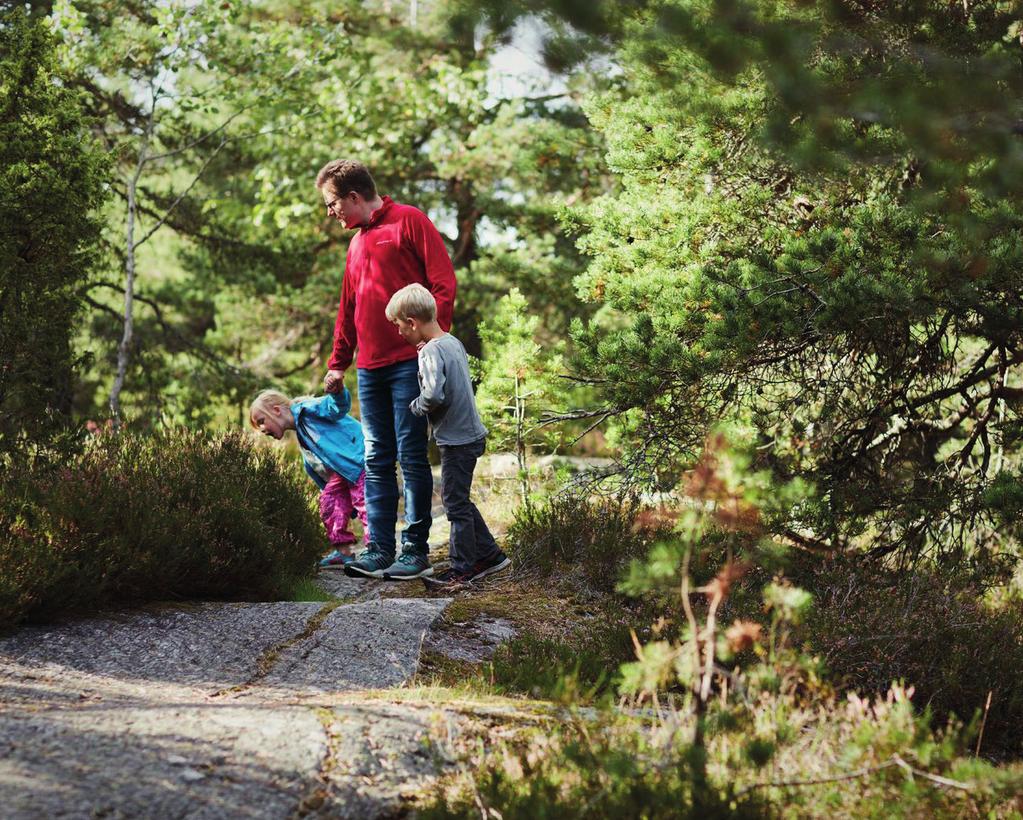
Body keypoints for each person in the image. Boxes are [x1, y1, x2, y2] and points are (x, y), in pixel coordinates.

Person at [316, 159, 456, 580]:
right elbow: (349, 307)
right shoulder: (356, 244)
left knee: (411, 456)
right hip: (370, 370)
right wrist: (339, 362)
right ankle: (378, 547)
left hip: (408, 365)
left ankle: (414, 550)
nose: (330, 212)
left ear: (354, 197)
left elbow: (443, 283)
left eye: (332, 203)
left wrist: (433, 344)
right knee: (375, 458)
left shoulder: (409, 221)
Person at [384, 284, 511, 588]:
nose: (399, 333)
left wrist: (414, 407)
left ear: (412, 323)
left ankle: (462, 568)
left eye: (399, 326)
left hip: (455, 440)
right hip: (470, 435)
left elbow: (433, 396)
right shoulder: (451, 342)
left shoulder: (429, 351)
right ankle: (491, 556)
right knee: (460, 501)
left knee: (454, 506)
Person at [249, 388, 369, 568]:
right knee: (330, 504)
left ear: (276, 410)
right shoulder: (302, 434)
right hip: (340, 472)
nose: (262, 429)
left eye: (261, 421)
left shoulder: (308, 409)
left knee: (365, 504)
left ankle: (375, 547)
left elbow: (337, 406)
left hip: (356, 460)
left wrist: (337, 390)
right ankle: (343, 552)